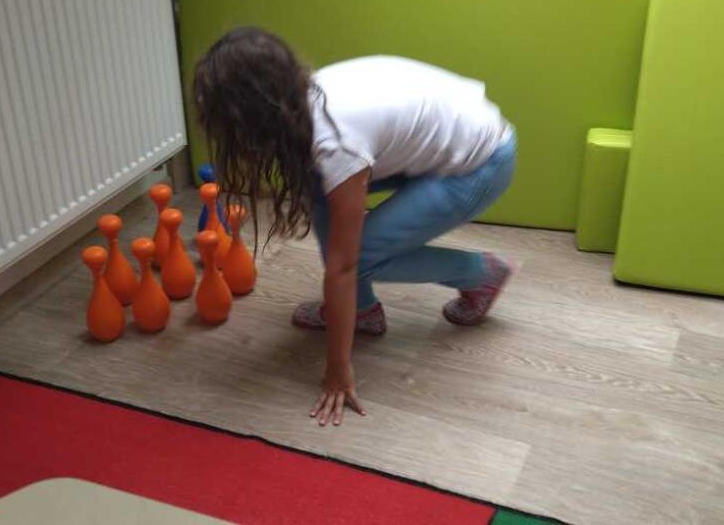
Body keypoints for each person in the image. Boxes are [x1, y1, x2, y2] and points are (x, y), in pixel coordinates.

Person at [193, 27, 517, 427]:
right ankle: (362, 312)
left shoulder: (335, 141)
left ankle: (482, 274)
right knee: (317, 186)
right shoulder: (304, 103)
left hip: (481, 163)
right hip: (444, 142)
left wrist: (337, 369)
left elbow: (343, 267)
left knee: (358, 258)